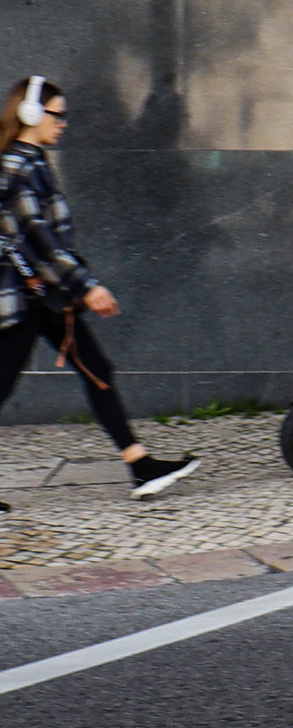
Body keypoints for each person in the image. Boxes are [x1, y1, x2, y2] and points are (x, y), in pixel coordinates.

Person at [0, 78, 197, 499]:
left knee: (97, 369)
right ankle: (140, 464)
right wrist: (86, 287)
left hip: (44, 296)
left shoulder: (31, 160)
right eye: (58, 114)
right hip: (22, 298)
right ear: (30, 114)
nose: (64, 123)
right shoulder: (18, 165)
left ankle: (140, 465)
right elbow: (40, 239)